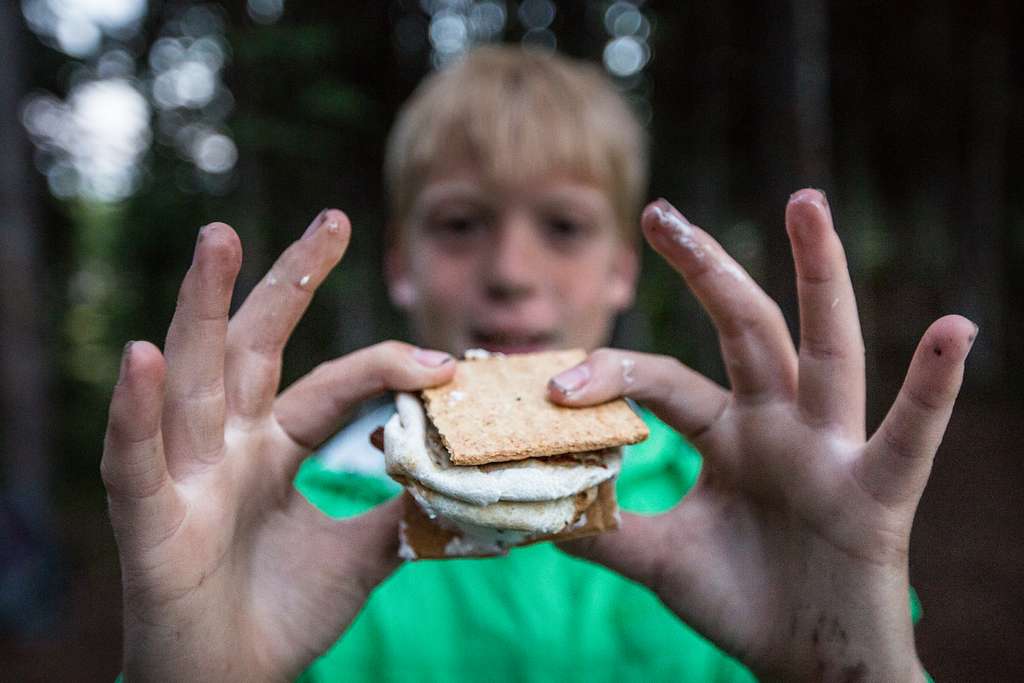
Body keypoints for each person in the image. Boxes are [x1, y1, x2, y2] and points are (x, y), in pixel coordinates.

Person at [101, 46, 974, 681]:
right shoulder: (287, 527)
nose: (512, 273)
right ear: (399, 261)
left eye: (562, 226)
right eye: (459, 223)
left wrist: (858, 671)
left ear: (624, 266)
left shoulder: (746, 508)